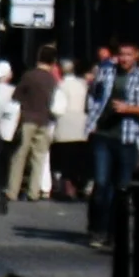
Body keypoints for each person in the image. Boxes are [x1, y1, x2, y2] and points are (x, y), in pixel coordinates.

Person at [84, 41, 139, 248]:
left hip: (127, 137)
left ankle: (115, 232)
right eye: (121, 54)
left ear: (136, 56)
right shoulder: (106, 72)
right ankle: (98, 229)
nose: (124, 58)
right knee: (101, 183)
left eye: (128, 55)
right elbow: (93, 96)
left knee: (121, 187)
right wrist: (92, 120)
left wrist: (128, 108)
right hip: (103, 135)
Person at [7, 45, 61, 202]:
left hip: (27, 119)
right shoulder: (52, 79)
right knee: (39, 157)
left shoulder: (29, 75)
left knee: (20, 156)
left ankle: (12, 191)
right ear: (53, 61)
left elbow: (16, 96)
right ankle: (34, 192)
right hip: (44, 121)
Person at [50, 58, 92, 201]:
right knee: (78, 158)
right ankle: (77, 186)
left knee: (64, 159)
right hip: (81, 122)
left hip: (65, 122)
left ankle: (68, 189)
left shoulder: (60, 86)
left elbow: (56, 108)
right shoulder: (82, 84)